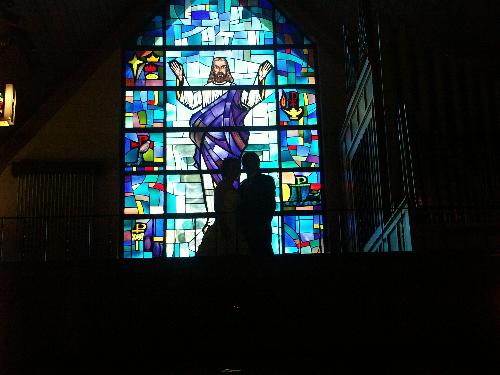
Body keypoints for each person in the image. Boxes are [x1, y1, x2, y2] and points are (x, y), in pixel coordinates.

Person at [169, 56, 273, 251]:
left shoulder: (235, 92)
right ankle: (214, 220)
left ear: (228, 69)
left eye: (223, 67)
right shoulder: (206, 91)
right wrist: (181, 78)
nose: (219, 71)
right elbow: (190, 100)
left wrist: (260, 79)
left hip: (230, 146)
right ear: (212, 70)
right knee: (211, 184)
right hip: (208, 148)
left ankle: (233, 224)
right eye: (216, 67)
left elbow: (251, 99)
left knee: (231, 186)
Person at [197, 158, 248, 256]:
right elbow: (220, 210)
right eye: (232, 169)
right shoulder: (223, 188)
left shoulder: (228, 187)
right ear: (226, 171)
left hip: (231, 225)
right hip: (226, 227)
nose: (236, 172)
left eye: (237, 168)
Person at [239, 152, 276, 256]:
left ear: (257, 164)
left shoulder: (266, 181)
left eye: (251, 162)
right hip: (246, 230)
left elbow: (269, 205)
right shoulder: (243, 184)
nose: (247, 165)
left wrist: (260, 223)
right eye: (246, 163)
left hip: (260, 228)